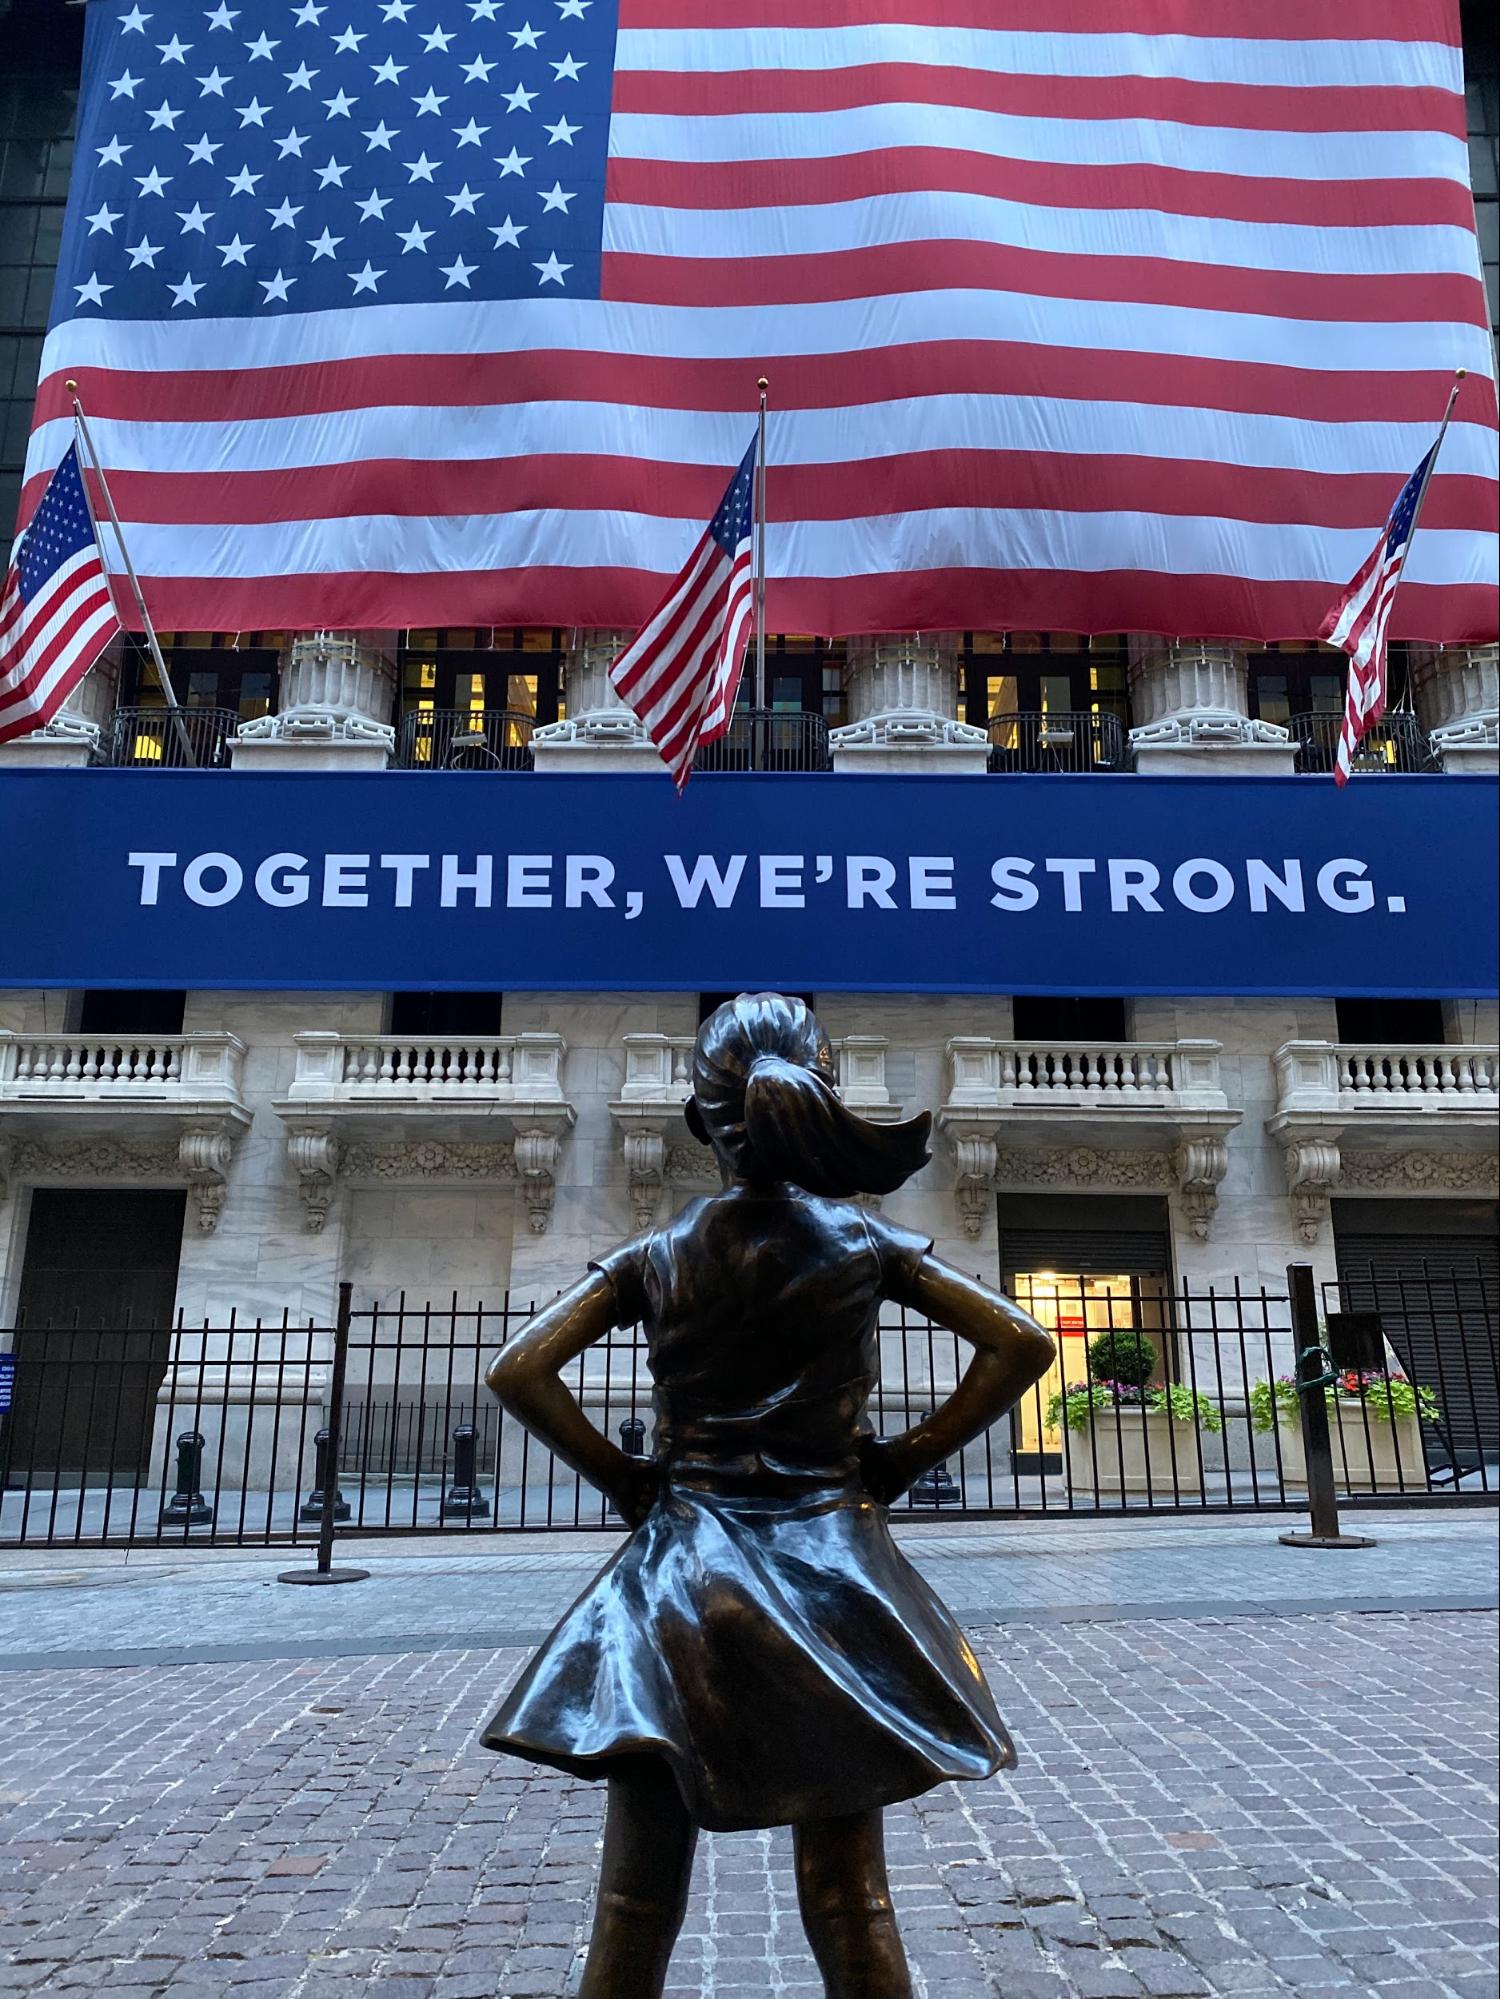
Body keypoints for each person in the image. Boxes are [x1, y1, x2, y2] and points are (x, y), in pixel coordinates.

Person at [482, 993, 1055, 1999]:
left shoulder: (661, 1254)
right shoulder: (861, 1244)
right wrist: (908, 1457)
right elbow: (1022, 1341)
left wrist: (623, 1478)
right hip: (835, 1576)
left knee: (636, 1898)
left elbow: (519, 1369)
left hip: (680, 1581)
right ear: (820, 1099)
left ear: (704, 1124)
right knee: (850, 1894)